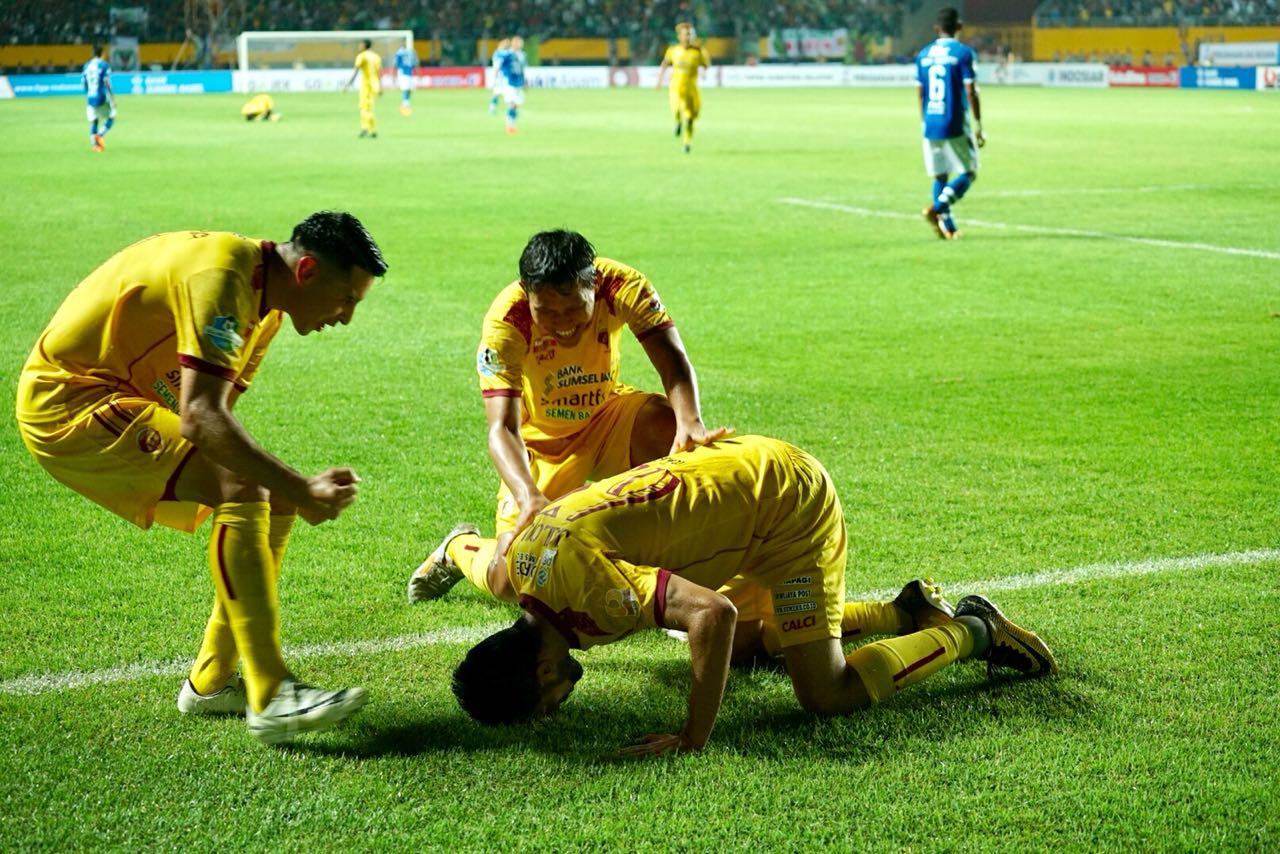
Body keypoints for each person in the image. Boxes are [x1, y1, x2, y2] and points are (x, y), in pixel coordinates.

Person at [15, 212, 388, 745]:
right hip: (71, 399)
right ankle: (272, 692)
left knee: (269, 497)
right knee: (252, 488)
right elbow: (202, 419)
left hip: (119, 396)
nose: (346, 317)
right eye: (347, 298)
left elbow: (218, 421)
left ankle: (211, 683)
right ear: (306, 270)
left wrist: (290, 491)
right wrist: (301, 486)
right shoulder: (224, 276)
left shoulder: (265, 312)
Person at [451, 436, 1058, 754]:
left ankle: (973, 632)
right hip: (741, 470)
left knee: (825, 693)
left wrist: (693, 736)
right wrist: (454, 549)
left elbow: (712, 612)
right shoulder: (522, 564)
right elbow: (487, 555)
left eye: (543, 703)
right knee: (736, 650)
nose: (555, 707)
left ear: (538, 669)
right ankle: (901, 611)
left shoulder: (595, 596)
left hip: (789, 510)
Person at [406, 229, 730, 606]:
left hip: (608, 418)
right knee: (516, 578)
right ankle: (461, 549)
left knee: (675, 437)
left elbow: (673, 361)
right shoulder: (506, 321)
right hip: (543, 443)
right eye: (546, 311)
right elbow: (502, 428)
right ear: (526, 294)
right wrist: (529, 496)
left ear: (593, 283)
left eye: (575, 308)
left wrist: (689, 422)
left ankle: (675, 580)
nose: (562, 322)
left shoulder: (621, 284)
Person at [916, 7, 984, 240]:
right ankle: (938, 209)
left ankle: (950, 229)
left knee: (940, 176)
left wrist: (924, 121)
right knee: (969, 172)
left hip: (930, 122)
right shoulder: (963, 53)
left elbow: (920, 93)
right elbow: (970, 89)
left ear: (937, 28)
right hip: (954, 120)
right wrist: (979, 123)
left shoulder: (923, 55)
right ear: (959, 26)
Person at [656, 23, 711, 154]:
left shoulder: (698, 51)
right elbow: (665, 64)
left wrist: (703, 72)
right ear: (680, 36)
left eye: (692, 34)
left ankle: (687, 142)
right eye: (687, 34)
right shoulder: (673, 50)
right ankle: (677, 122)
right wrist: (659, 80)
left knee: (691, 118)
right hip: (676, 87)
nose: (690, 37)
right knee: (676, 110)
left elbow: (705, 64)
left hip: (691, 89)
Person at [345, 38, 383, 138]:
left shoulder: (362, 56)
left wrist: (349, 83)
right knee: (369, 108)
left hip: (366, 85)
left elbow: (356, 70)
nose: (359, 47)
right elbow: (379, 73)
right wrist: (380, 86)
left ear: (364, 45)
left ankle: (365, 129)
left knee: (363, 108)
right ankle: (372, 130)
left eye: (360, 45)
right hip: (375, 85)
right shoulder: (376, 57)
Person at [82, 44, 115, 152]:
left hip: (90, 97)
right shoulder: (104, 66)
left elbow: (84, 82)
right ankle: (99, 135)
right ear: (102, 53)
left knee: (94, 121)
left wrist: (87, 93)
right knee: (111, 117)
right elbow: (106, 82)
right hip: (101, 96)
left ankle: (95, 146)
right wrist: (112, 97)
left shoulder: (86, 66)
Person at [492, 35, 526, 134]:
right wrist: (496, 78)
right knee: (512, 103)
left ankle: (511, 122)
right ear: (514, 43)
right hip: (509, 82)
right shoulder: (507, 54)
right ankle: (510, 125)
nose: (521, 44)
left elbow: (522, 68)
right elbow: (499, 65)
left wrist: (525, 81)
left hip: (518, 82)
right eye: (519, 42)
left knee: (517, 104)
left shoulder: (522, 55)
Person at [393, 42, 419, 116]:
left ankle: (406, 102)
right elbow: (395, 64)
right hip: (402, 72)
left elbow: (416, 63)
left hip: (410, 72)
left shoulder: (412, 52)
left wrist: (418, 72)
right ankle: (404, 105)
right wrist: (393, 75)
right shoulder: (399, 52)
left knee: (410, 89)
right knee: (405, 88)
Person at [488, 38, 511, 114]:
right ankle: (509, 109)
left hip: (499, 75)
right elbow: (498, 66)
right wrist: (495, 77)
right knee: (507, 92)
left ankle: (492, 107)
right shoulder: (502, 54)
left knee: (497, 92)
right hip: (502, 75)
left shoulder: (497, 52)